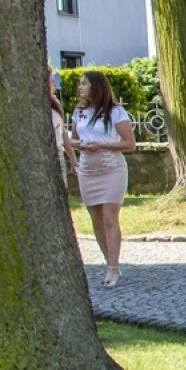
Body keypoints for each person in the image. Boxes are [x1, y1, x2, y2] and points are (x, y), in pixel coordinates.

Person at [70, 70, 136, 287]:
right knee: (96, 220)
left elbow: (129, 143)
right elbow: (73, 139)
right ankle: (109, 260)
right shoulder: (79, 112)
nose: (80, 87)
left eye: (84, 83)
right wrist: (80, 145)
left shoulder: (115, 112)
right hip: (88, 170)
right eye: (80, 84)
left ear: (96, 86)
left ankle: (113, 268)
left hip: (111, 169)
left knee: (109, 219)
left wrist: (102, 145)